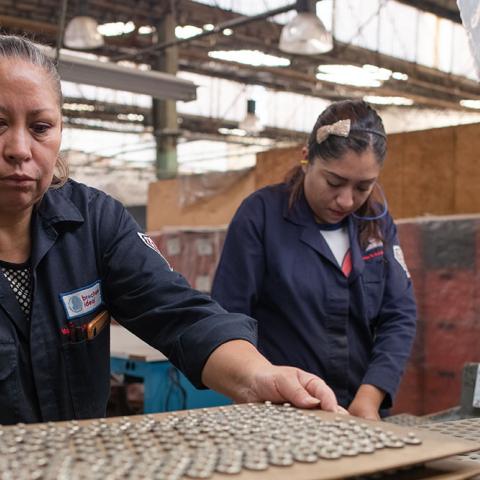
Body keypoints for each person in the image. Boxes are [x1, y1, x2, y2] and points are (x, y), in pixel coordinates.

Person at [0, 35, 342, 425]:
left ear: (60, 130)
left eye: (41, 127)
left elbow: (178, 312)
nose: (20, 148)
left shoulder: (94, 223)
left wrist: (260, 376)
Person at [212, 100, 417, 420]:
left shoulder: (376, 221)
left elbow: (399, 314)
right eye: (334, 183)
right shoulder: (261, 216)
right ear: (306, 158)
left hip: (361, 411)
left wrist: (370, 396)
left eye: (363, 186)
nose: (347, 200)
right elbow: (229, 316)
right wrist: (257, 384)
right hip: (282, 413)